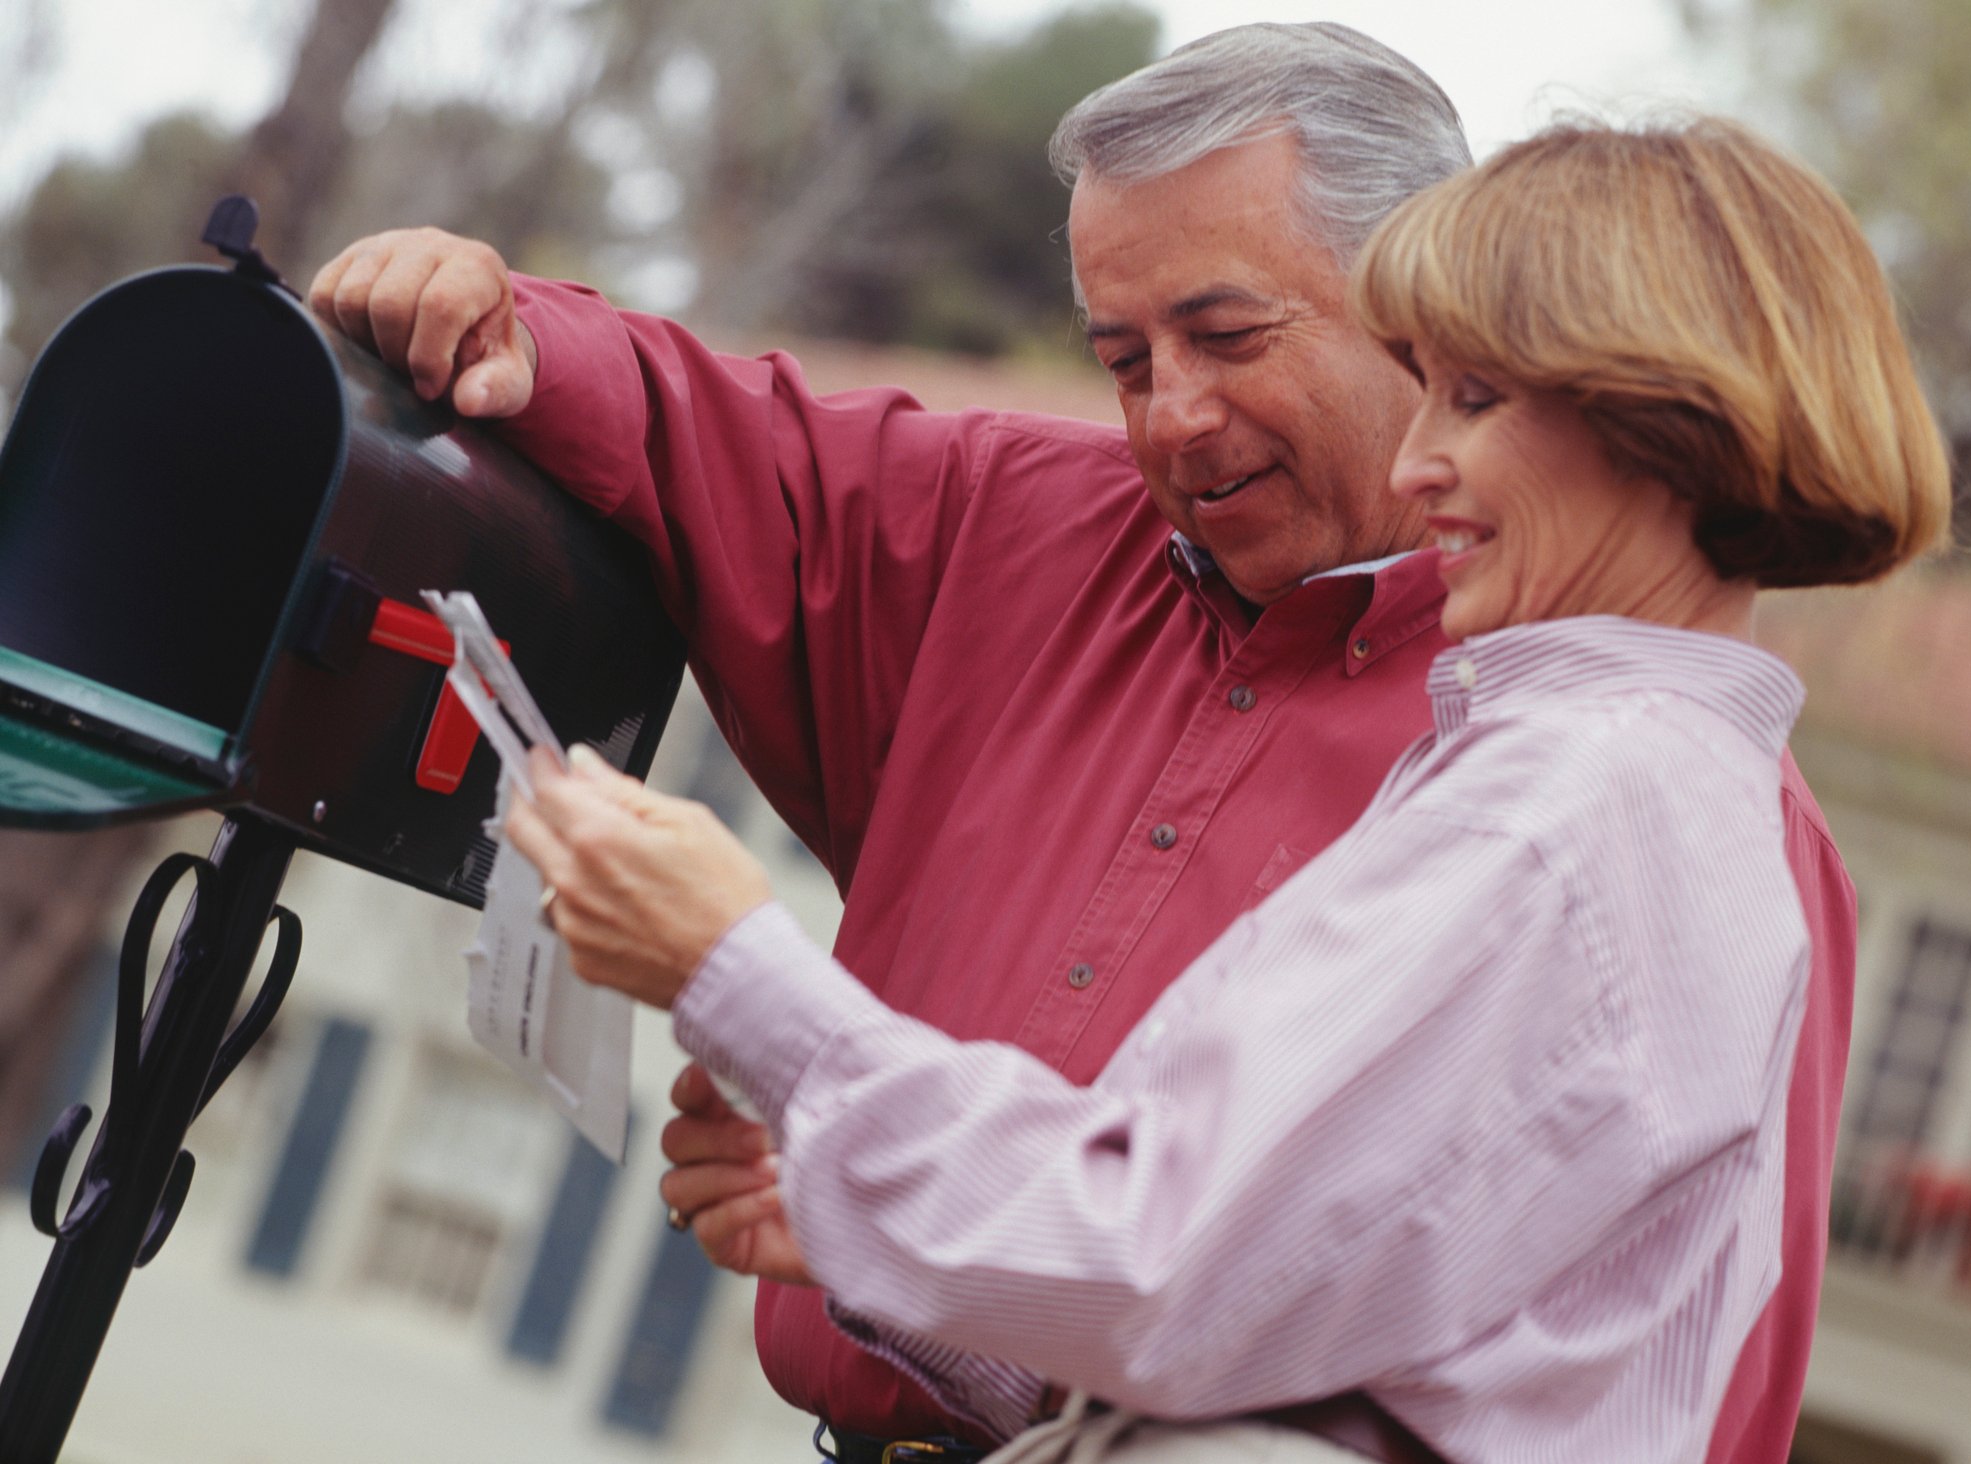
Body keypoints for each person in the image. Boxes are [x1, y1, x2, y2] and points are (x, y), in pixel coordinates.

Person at [308, 26, 1857, 1463]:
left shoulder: (1577, 795)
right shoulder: (1571, 757)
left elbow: (1162, 1259)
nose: (1171, 417)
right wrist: (883, 1217)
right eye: (1124, 359)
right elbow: (1219, 1315)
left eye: (1228, 333)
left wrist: (744, 979)